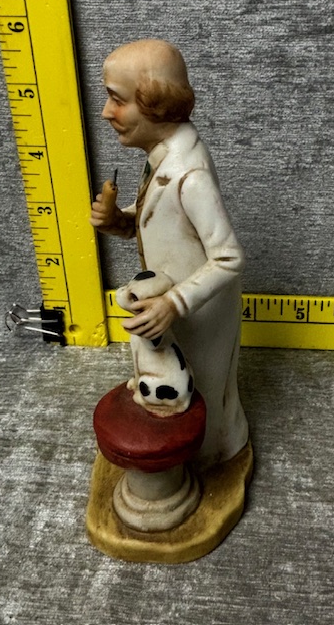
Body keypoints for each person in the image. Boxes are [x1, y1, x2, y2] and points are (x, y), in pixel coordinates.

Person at [91, 39, 248, 468]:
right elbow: (166, 223)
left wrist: (173, 304)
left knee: (204, 398)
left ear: (155, 105)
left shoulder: (190, 174)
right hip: (171, 308)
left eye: (116, 99)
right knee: (176, 387)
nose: (105, 112)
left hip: (199, 312)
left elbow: (229, 257)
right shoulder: (162, 155)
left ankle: (211, 462)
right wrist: (120, 220)